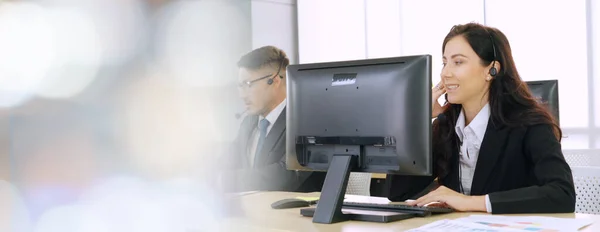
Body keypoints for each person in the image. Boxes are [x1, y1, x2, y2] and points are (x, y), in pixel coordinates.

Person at [386, 23, 576, 214]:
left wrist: (469, 202)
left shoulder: (530, 124)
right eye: (445, 63)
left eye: (458, 62)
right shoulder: (445, 126)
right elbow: (396, 192)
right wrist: (417, 119)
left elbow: (562, 194)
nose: (445, 73)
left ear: (491, 70)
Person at [220, 45, 325, 192]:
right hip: (254, 210)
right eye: (240, 86)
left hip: (291, 213)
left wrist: (226, 179)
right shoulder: (249, 122)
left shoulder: (308, 122)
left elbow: (285, 175)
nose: (242, 95)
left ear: (274, 81)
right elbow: (227, 162)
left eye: (248, 85)